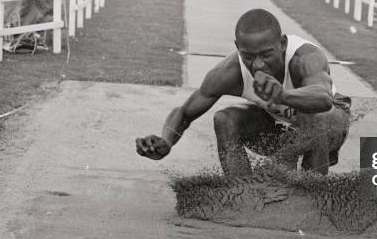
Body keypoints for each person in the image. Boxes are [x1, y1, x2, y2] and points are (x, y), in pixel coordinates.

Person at [136, 9, 351, 177]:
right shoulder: (230, 71)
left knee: (313, 117)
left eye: (267, 54)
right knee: (224, 119)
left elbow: (323, 99)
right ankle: (242, 196)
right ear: (238, 48)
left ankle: (311, 195)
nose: (258, 65)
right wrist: (167, 141)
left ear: (283, 43)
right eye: (248, 56)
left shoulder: (304, 58)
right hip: (279, 128)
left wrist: (283, 96)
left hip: (329, 123)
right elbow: (185, 112)